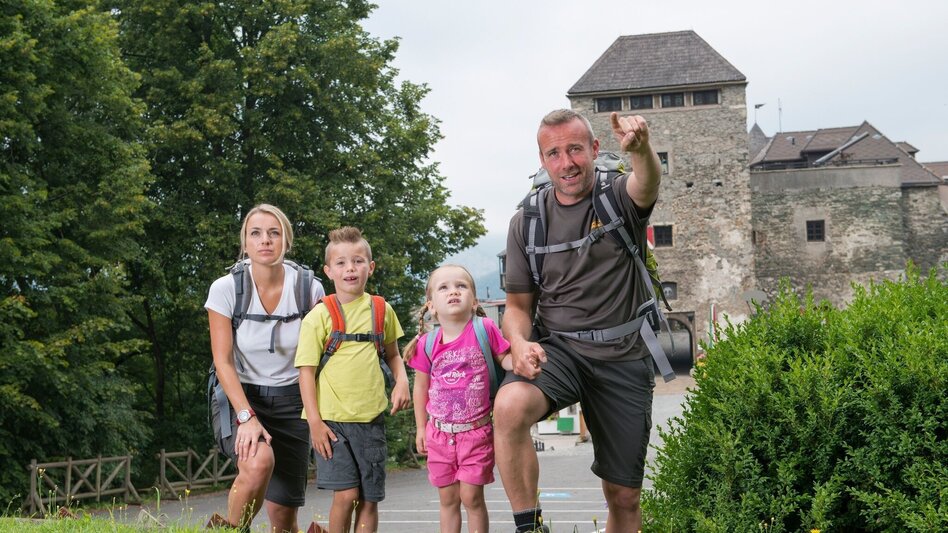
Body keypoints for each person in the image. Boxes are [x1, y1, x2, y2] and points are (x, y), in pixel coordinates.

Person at [495, 109, 663, 533]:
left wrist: (642, 150)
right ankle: (529, 528)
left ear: (593, 149)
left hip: (623, 355)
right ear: (542, 160)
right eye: (554, 153)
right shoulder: (527, 222)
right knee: (510, 405)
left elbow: (647, 183)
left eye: (574, 149)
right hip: (562, 351)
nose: (566, 162)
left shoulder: (617, 197)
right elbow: (516, 306)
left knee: (623, 497)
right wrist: (517, 342)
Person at [205, 204, 325, 532]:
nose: (265, 241)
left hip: (293, 400)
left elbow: (316, 359)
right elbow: (223, 360)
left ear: (286, 241)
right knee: (259, 462)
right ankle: (232, 528)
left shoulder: (309, 288)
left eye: (274, 233)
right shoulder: (226, 288)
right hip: (241, 395)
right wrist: (246, 416)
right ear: (245, 242)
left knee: (284, 518)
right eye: (255, 233)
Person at [295, 226, 411, 533]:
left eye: (358, 261)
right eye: (342, 263)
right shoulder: (319, 317)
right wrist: (315, 423)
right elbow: (305, 372)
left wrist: (402, 382)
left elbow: (393, 355)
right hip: (331, 424)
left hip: (371, 420)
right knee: (346, 495)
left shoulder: (381, 309)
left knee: (369, 499)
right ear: (328, 270)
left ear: (370, 267)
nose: (350, 268)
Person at [403, 265, 513, 533]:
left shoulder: (484, 329)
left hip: (476, 434)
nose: (453, 291)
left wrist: (522, 360)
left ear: (474, 301)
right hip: (439, 436)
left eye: (461, 286)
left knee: (472, 498)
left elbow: (506, 360)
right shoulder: (427, 344)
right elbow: (420, 389)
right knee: (448, 499)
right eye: (444, 288)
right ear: (431, 306)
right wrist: (420, 428)